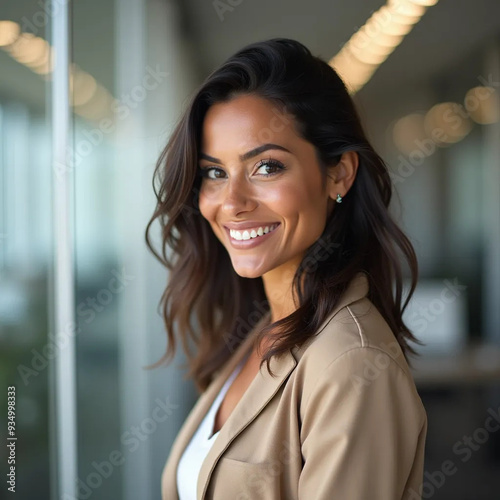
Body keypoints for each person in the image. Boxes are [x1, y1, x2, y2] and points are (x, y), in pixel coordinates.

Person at [145, 37, 427, 500]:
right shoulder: (264, 328)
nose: (232, 203)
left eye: (267, 166)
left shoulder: (351, 365)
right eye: (214, 172)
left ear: (339, 173)